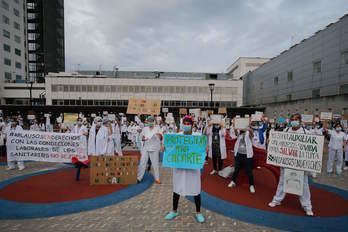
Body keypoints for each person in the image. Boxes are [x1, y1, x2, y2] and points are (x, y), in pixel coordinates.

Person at [268, 113, 314, 216]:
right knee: (282, 181)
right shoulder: (285, 131)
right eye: (292, 119)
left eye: (296, 119)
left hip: (300, 163)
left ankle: (307, 206)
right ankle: (277, 200)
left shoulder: (307, 133)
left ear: (300, 121)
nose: (294, 121)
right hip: (287, 162)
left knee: (304, 185)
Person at [165, 115, 205, 223]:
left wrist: (204, 151)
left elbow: (202, 150)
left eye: (189, 124)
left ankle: (198, 212)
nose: (187, 126)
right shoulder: (178, 136)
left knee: (196, 189)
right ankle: (174, 210)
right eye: (185, 124)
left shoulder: (197, 136)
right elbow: (171, 148)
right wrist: (165, 147)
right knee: (177, 187)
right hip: (180, 167)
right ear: (182, 125)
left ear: (192, 125)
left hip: (193, 168)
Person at [228, 121, 255, 193]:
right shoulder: (239, 133)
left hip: (247, 155)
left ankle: (251, 185)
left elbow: (252, 135)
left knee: (249, 171)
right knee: (236, 169)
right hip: (239, 153)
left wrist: (247, 128)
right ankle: (233, 181)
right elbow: (235, 133)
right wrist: (235, 126)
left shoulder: (249, 132)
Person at [137, 116, 163, 184]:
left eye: (151, 121)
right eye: (149, 121)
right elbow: (142, 137)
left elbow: (161, 137)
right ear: (147, 122)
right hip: (146, 147)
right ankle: (139, 177)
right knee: (142, 162)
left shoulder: (157, 129)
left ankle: (157, 178)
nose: (150, 123)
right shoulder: (145, 129)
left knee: (155, 164)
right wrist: (144, 139)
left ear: (153, 122)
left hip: (154, 148)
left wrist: (158, 135)